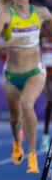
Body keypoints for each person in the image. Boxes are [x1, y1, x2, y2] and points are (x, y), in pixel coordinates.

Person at [0, 0, 52, 173]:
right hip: (12, 75)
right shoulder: (5, 15)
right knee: (15, 118)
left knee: (27, 106)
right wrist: (11, 42)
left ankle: (32, 156)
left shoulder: (40, 13)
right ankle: (17, 143)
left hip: (35, 72)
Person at [40, 22, 52, 153]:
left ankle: (45, 135)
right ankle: (45, 136)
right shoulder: (41, 37)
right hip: (44, 73)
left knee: (50, 103)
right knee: (50, 101)